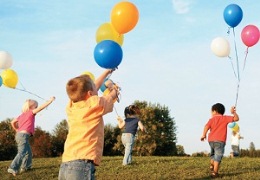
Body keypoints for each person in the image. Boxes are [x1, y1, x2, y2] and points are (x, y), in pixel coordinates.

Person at [58, 69, 119, 180]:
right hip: (81, 165)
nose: (97, 88)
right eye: (95, 89)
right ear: (90, 94)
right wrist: (115, 90)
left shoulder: (71, 106)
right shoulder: (95, 104)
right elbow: (110, 98)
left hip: (66, 164)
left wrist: (106, 72)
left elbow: (90, 89)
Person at [7, 97, 55, 176]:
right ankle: (13, 168)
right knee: (22, 152)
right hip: (23, 136)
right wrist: (50, 101)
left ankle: (26, 167)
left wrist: (16, 129)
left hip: (20, 135)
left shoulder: (22, 115)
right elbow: (41, 108)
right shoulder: (30, 113)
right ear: (31, 107)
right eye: (35, 106)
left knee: (28, 152)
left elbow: (12, 122)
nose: (36, 108)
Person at [200, 103, 239, 178]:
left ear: (215, 111)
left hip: (211, 140)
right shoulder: (225, 118)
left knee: (213, 154)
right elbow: (236, 119)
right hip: (220, 140)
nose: (211, 113)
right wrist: (233, 112)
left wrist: (204, 135)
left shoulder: (211, 119)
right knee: (218, 156)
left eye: (211, 111)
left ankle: (212, 165)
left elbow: (206, 126)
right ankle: (215, 172)